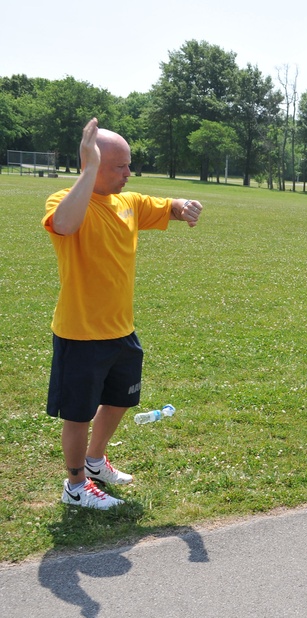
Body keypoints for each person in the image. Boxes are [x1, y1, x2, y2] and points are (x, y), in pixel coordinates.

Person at [42, 118, 203, 510]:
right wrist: (90, 170)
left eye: (129, 165)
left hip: (121, 331)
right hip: (80, 333)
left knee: (119, 400)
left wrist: (185, 207)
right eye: (120, 166)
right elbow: (64, 224)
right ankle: (75, 485)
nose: (129, 173)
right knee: (77, 415)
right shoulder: (64, 201)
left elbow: (168, 207)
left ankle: (95, 462)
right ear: (93, 164)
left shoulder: (128, 203)